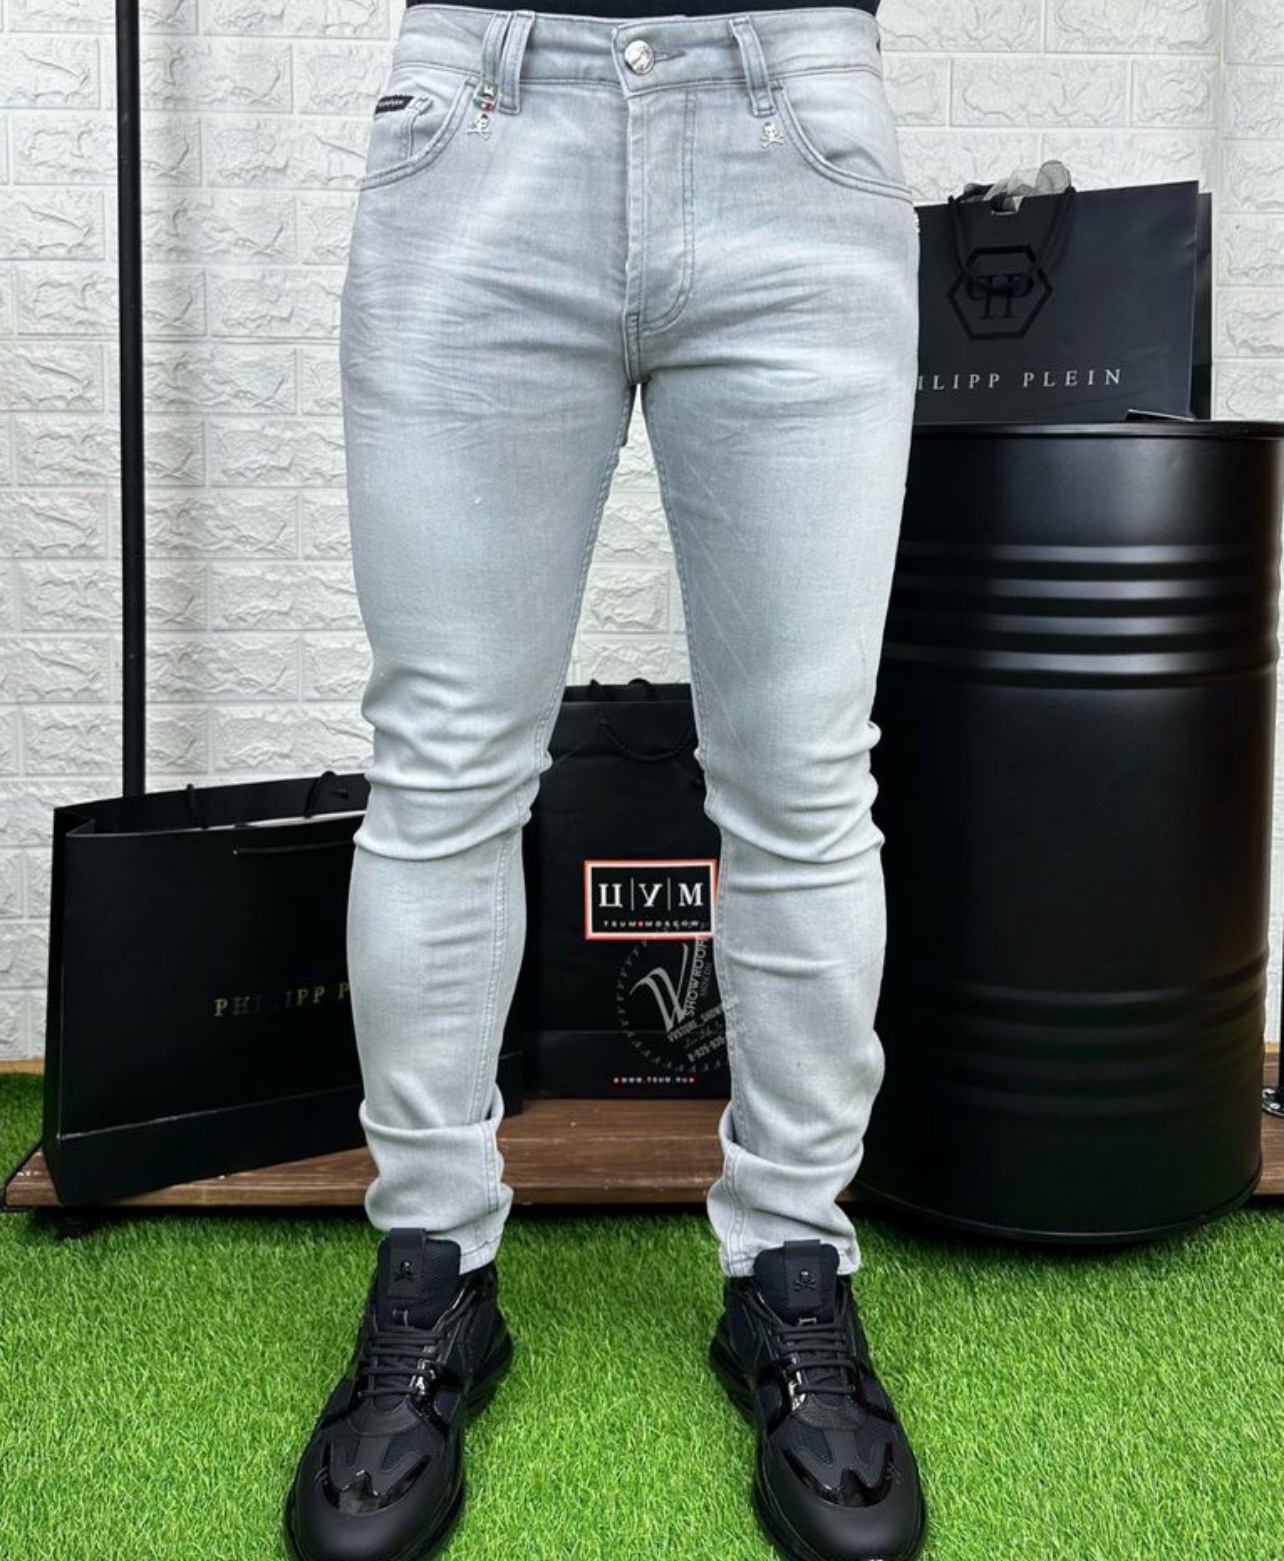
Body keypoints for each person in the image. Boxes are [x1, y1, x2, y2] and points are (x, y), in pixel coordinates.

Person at [282, 3, 926, 1560]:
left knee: (801, 777)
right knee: (441, 770)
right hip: (479, 118)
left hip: (795, 123)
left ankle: (791, 1262)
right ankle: (435, 1265)